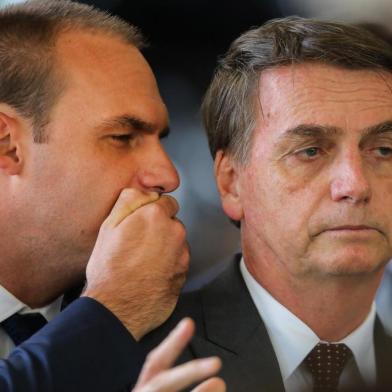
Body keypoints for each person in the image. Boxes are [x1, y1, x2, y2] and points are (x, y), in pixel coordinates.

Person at [141, 16, 392, 391]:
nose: (354, 185)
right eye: (310, 151)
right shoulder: (133, 358)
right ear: (231, 183)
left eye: (384, 150)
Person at [0, 0, 226, 391]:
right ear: (8, 146)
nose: (169, 176)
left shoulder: (186, 331)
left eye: (160, 140)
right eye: (122, 138)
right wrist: (114, 310)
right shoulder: (125, 310)